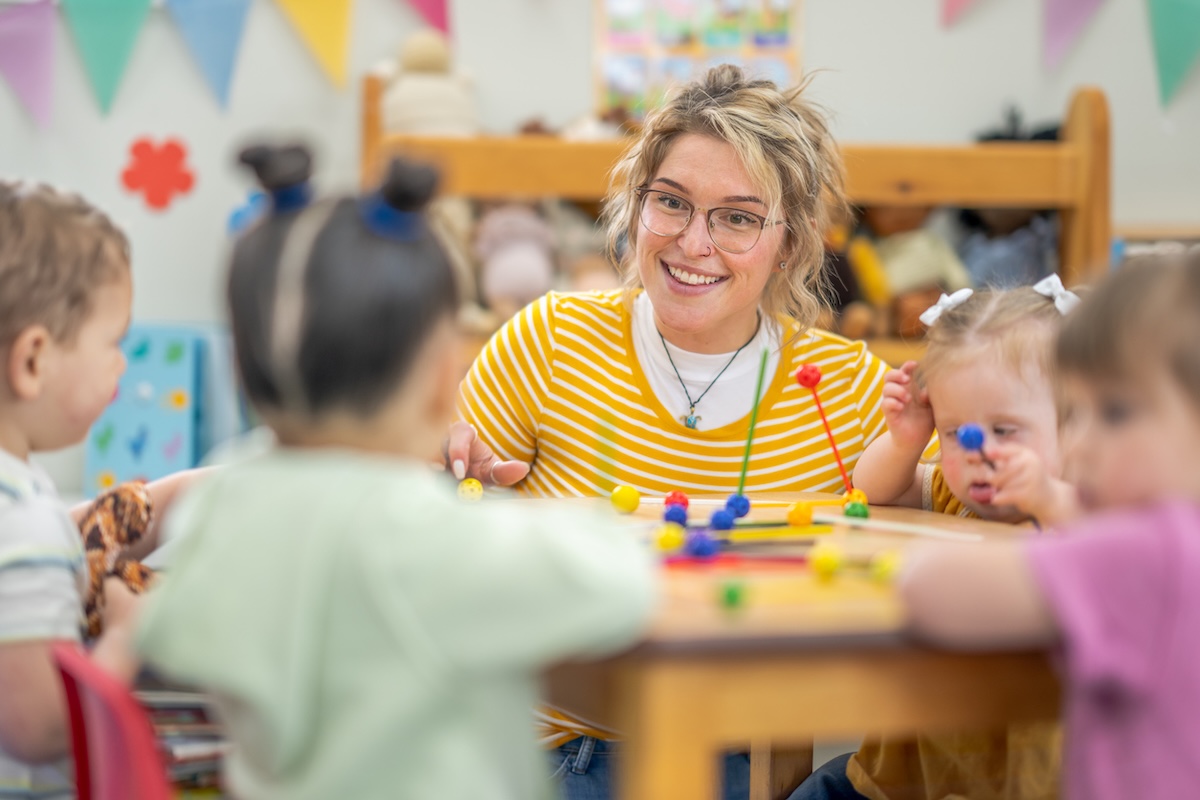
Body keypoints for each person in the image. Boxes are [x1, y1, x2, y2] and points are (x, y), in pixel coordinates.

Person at [135, 145, 657, 800]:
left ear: (241, 367)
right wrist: (587, 519)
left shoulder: (221, 504)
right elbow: (620, 590)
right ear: (446, 375)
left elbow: (170, 630)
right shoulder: (434, 534)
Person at [449, 64, 891, 800]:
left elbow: (979, 494)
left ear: (790, 241)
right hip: (561, 754)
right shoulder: (554, 339)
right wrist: (450, 476)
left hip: (744, 764)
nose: (693, 243)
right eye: (671, 203)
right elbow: (432, 503)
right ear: (635, 203)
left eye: (739, 217)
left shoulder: (846, 389)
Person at [899, 250, 1200, 800]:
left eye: (1113, 414)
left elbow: (927, 592)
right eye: (1076, 413)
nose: (1079, 441)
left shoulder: (1151, 551)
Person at [795, 280, 1083, 799]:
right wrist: (906, 441)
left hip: (1021, 780)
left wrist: (1046, 497)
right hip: (904, 772)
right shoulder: (955, 495)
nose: (978, 451)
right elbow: (875, 492)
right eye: (955, 432)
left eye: (1006, 430)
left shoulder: (1092, 513)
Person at [0, 181, 196, 799]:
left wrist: (167, 498)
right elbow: (42, 729)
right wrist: (124, 639)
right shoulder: (23, 522)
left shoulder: (18, 499)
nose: (122, 364)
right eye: (113, 343)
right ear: (33, 361)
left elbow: (58, 544)